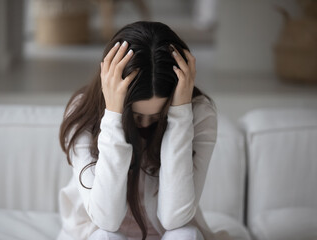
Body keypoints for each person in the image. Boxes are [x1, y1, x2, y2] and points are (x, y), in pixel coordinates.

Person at [56, 21, 232, 240]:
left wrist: (179, 114)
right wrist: (113, 116)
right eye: (137, 116)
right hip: (98, 234)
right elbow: (107, 220)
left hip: (165, 234)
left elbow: (174, 218)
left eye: (157, 116)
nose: (146, 125)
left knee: (185, 235)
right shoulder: (84, 111)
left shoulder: (199, 113)